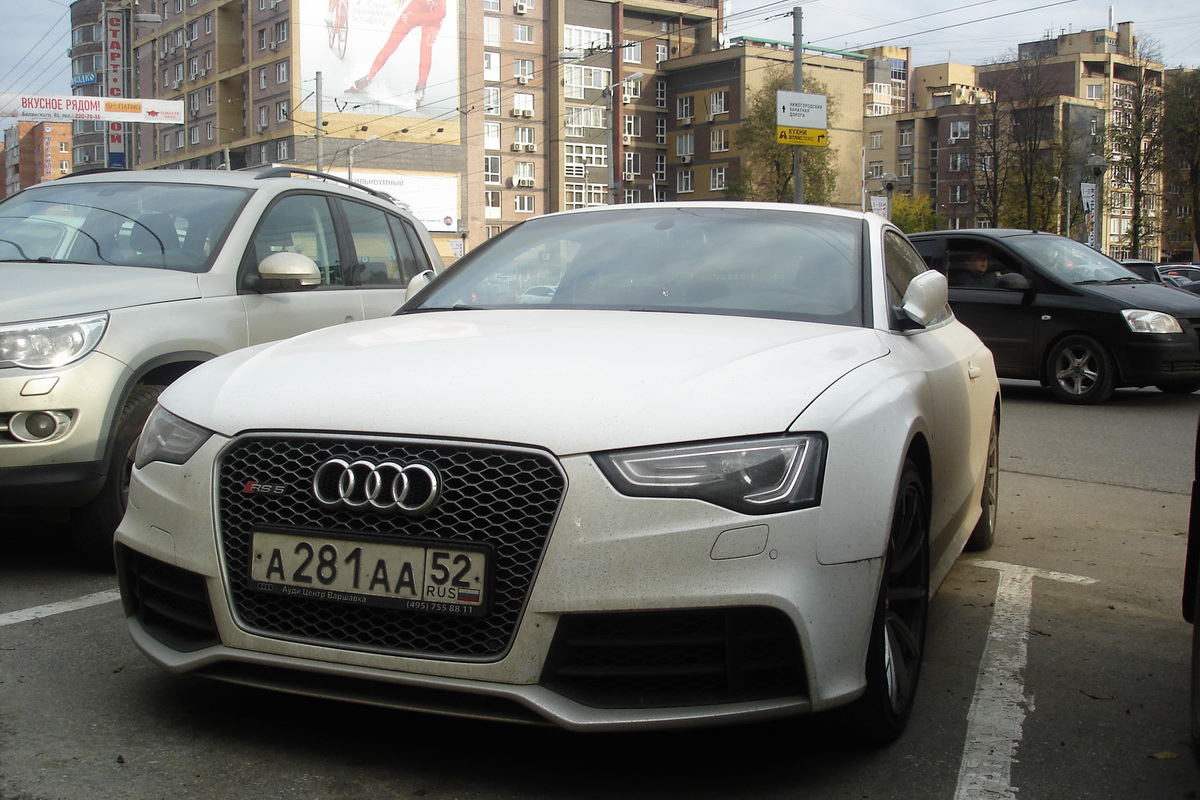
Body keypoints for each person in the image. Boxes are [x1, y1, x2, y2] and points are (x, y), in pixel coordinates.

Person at [347, 0, 446, 107]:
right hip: (417, 12)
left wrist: (415, 17)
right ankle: (368, 78)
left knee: (423, 50)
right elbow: (441, 13)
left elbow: (441, 14)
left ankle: (420, 87)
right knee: (392, 46)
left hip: (423, 15)